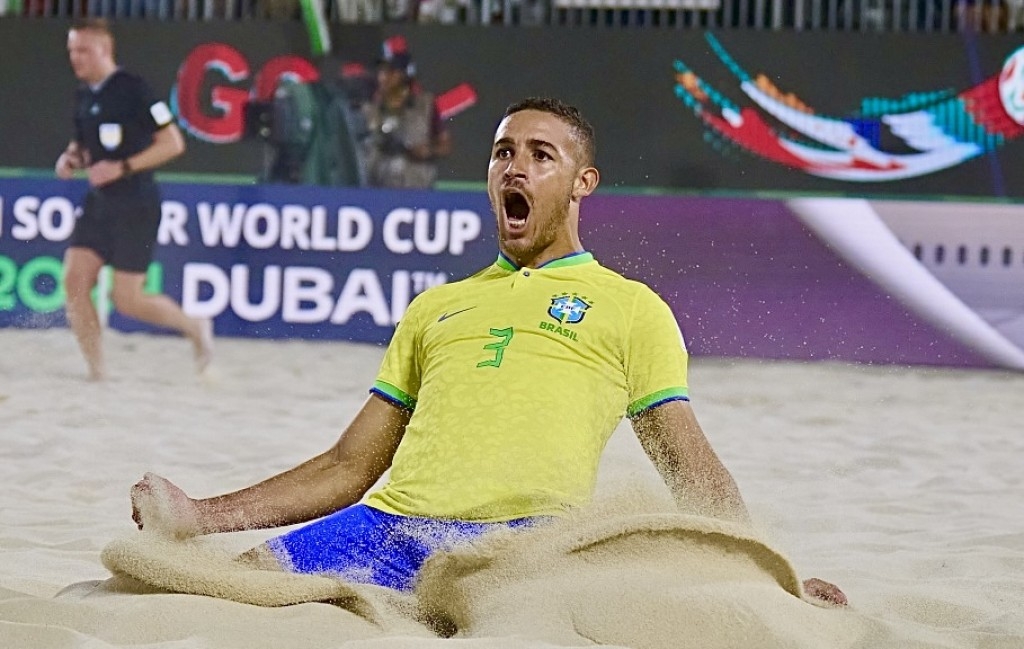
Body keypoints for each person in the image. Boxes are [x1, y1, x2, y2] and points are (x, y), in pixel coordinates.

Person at [130, 96, 846, 606]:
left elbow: (691, 469)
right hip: (386, 529)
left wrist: (773, 580)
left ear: (581, 183)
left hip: (521, 545)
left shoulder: (632, 307)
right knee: (214, 596)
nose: (516, 168)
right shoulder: (436, 306)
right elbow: (350, 465)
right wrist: (202, 514)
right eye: (504, 152)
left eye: (541, 155)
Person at [56, 18, 213, 381]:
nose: (75, 58)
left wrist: (123, 166)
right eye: (71, 51)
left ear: (105, 50)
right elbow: (83, 144)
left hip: (136, 203)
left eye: (83, 50)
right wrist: (71, 158)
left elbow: (173, 143)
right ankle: (97, 371)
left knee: (127, 300)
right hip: (99, 203)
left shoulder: (135, 89)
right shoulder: (83, 95)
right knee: (75, 282)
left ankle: (194, 326)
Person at [360, 47, 452, 189]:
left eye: (390, 72)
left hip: (417, 188)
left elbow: (445, 145)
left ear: (405, 74)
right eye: (381, 71)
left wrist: (427, 151)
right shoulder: (369, 108)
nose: (383, 77)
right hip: (377, 189)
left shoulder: (425, 105)